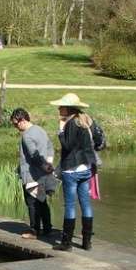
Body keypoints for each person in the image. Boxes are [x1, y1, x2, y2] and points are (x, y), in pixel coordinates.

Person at [50, 93, 97, 251]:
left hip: (72, 169)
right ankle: (87, 242)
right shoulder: (86, 120)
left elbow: (67, 146)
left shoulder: (70, 124)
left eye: (61, 106)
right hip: (86, 168)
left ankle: (67, 243)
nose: (58, 108)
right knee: (86, 204)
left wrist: (60, 131)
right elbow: (97, 141)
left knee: (70, 205)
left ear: (67, 109)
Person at [10, 107, 57, 239]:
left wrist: (43, 165)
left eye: (15, 124)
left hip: (31, 175)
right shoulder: (40, 130)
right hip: (43, 174)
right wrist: (48, 163)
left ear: (22, 120)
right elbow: (50, 147)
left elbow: (34, 155)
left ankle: (34, 230)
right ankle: (47, 228)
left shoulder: (27, 135)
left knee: (31, 203)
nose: (16, 127)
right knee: (42, 201)